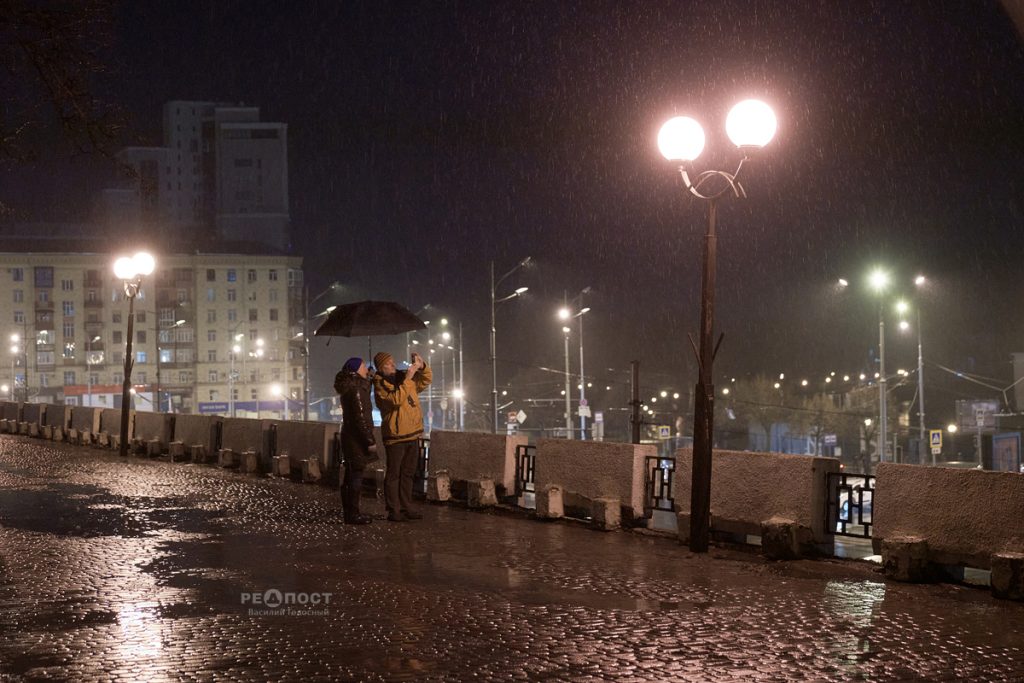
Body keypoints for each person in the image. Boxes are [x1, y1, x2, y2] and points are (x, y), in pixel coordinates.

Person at [372, 350, 432, 522]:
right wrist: (408, 378)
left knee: (408, 473)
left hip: (412, 434)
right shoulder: (380, 384)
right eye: (388, 364)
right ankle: (393, 509)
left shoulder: (403, 378)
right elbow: (395, 400)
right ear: (380, 368)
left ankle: (407, 506)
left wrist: (421, 366)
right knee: (393, 475)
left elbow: (425, 380)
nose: (393, 365)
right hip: (396, 436)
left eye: (392, 362)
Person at [334, 357, 378, 525]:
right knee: (355, 478)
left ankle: (350, 513)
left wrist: (370, 380)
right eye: (363, 366)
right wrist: (369, 440)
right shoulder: (356, 389)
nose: (366, 368)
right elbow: (360, 417)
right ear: (356, 369)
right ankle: (353, 515)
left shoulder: (351, 387)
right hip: (356, 440)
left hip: (350, 437)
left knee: (350, 476)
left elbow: (363, 392)